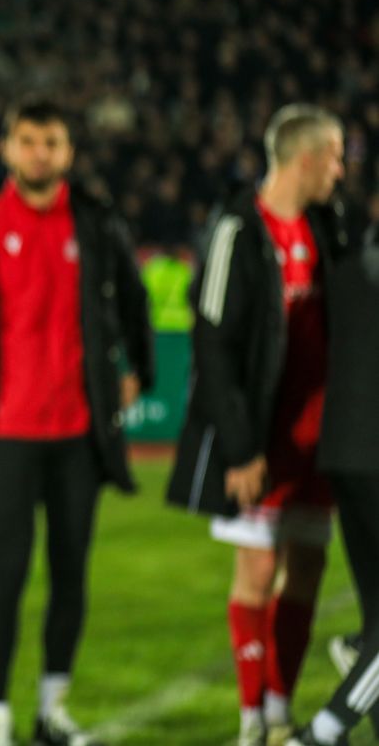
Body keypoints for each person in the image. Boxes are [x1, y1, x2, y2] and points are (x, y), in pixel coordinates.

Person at [0, 98, 154, 746]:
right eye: (28, 141)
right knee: (8, 572)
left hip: (79, 435)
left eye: (51, 142)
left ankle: (52, 711)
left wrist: (140, 369)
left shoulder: (95, 222)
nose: (39, 153)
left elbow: (134, 299)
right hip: (5, 435)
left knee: (71, 574)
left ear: (68, 152)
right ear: (7, 148)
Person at [167, 105, 345, 746]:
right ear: (306, 159)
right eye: (335, 157)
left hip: (319, 439)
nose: (341, 171)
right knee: (257, 571)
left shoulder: (327, 226)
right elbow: (212, 342)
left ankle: (277, 710)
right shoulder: (238, 228)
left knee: (308, 568)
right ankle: (250, 722)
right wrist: (240, 449)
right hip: (262, 438)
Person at [292, 215, 378, 745]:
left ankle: (362, 653)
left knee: (377, 612)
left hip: (343, 450)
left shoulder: (349, 263)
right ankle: (320, 734)